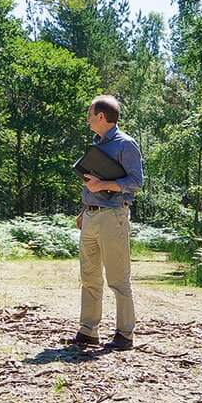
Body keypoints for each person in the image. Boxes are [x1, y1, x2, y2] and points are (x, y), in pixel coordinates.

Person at [73, 94, 142, 350]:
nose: (88, 118)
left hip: (114, 216)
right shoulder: (97, 144)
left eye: (90, 114)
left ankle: (125, 334)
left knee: (118, 278)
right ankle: (88, 330)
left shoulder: (126, 145)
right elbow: (94, 183)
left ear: (101, 117)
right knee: (89, 276)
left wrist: (104, 184)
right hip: (91, 216)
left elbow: (136, 182)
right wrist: (84, 211)